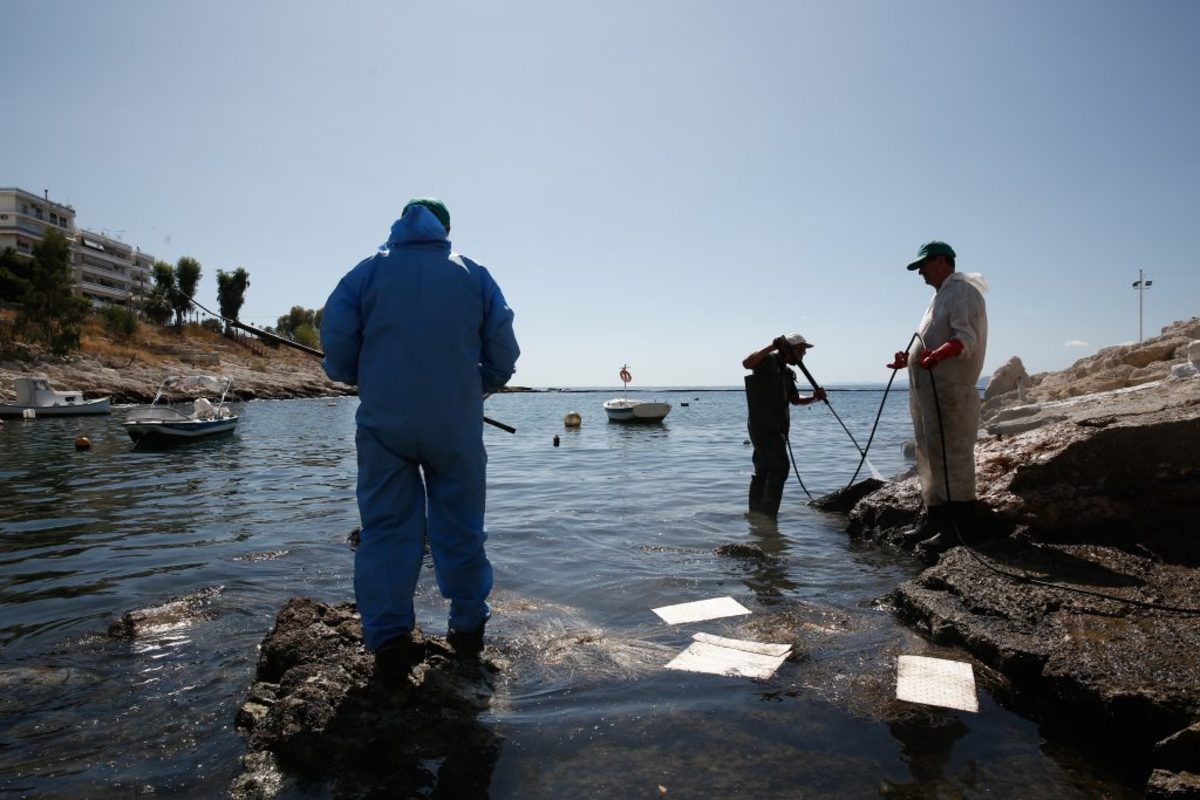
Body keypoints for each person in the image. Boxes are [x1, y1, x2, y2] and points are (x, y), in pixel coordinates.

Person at [321, 198, 520, 678]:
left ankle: (390, 640)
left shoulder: (366, 273)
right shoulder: (473, 275)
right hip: (455, 424)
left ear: (398, 224)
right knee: (462, 526)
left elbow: (337, 339)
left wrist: (356, 376)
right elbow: (504, 349)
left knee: (386, 528)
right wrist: (479, 387)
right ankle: (468, 630)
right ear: (446, 229)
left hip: (384, 424)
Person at [887, 241, 988, 555]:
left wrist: (937, 355)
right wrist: (912, 359)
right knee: (928, 453)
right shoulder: (939, 296)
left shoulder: (962, 291)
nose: (920, 273)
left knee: (952, 453)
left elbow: (965, 339)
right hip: (928, 394)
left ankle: (959, 526)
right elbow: (931, 340)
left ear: (943, 261)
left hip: (951, 391)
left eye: (924, 266)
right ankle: (934, 519)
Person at [742, 333, 827, 519]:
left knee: (764, 470)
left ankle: (756, 518)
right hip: (763, 426)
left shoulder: (787, 372)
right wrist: (772, 347)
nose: (803, 354)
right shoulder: (768, 361)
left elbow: (795, 400)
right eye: (801, 350)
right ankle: (769, 519)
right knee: (780, 468)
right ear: (790, 349)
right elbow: (747, 363)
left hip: (776, 427)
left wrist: (814, 397)